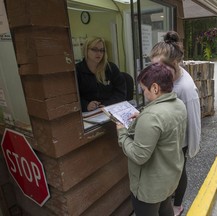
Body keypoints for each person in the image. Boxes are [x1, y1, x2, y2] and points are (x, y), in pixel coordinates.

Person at [116, 62, 187, 216]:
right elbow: (164, 126)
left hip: (149, 186)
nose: (143, 93)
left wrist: (122, 133)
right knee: (165, 208)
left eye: (143, 89)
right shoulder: (179, 104)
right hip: (169, 177)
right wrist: (143, 117)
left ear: (155, 88)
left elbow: (138, 156)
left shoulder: (152, 116)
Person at [150, 31, 201, 216]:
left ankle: (178, 205)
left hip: (182, 140)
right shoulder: (169, 75)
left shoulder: (186, 88)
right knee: (171, 170)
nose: (156, 74)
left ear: (176, 63)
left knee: (179, 171)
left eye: (160, 68)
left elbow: (194, 121)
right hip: (170, 135)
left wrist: (192, 147)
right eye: (153, 68)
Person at [76, 37, 126, 112]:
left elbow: (121, 91)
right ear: (86, 50)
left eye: (101, 50)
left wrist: (108, 104)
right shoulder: (77, 70)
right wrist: (85, 105)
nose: (99, 53)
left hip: (110, 109)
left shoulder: (110, 68)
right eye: (94, 49)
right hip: (88, 112)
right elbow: (72, 96)